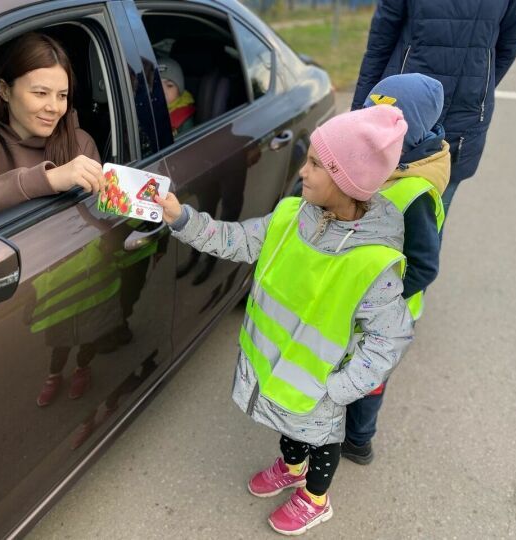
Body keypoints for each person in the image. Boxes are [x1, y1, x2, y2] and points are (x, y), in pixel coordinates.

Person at [154, 106, 414, 535]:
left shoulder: (373, 262)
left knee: (321, 440)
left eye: (315, 163)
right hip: (275, 367)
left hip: (320, 385)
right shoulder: (291, 216)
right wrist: (182, 218)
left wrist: (339, 388)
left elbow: (390, 337)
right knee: (288, 428)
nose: (303, 171)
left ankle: (315, 498)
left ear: (347, 180)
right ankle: (292, 467)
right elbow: (235, 240)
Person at [343, 73, 449, 465]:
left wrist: (376, 299)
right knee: (341, 364)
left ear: (409, 133)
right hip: (351, 301)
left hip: (387, 310)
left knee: (368, 379)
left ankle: (358, 439)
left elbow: (423, 266)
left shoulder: (413, 193)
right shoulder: (379, 162)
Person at [351, 0, 516, 213]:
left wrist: (475, 89)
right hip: (397, 116)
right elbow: (381, 43)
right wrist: (357, 116)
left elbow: (505, 49)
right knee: (367, 220)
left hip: (461, 121)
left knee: (426, 227)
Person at [0, 32, 104, 220]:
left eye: (62, 96)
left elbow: (95, 222)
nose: (54, 108)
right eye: (41, 93)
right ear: (4, 90)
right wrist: (49, 179)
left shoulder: (80, 143)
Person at [158, 57, 195, 138]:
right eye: (157, 86)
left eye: (169, 86)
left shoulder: (184, 120)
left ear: (179, 91)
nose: (162, 91)